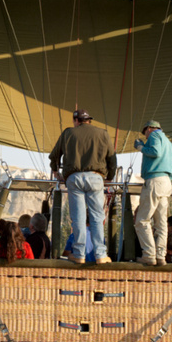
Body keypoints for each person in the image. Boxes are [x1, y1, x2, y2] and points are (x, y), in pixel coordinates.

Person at [49, 109, 116, 265]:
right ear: (89, 121)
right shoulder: (103, 133)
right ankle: (100, 253)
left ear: (75, 120)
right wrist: (110, 178)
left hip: (74, 177)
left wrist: (55, 170)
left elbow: (54, 155)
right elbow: (112, 158)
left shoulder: (68, 133)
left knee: (78, 218)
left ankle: (79, 253)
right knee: (97, 217)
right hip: (96, 177)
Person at [133, 120, 172, 266]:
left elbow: (156, 152)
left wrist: (141, 147)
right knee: (161, 223)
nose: (146, 136)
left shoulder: (155, 136)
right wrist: (169, 177)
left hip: (154, 181)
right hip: (165, 182)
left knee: (142, 221)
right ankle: (161, 256)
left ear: (149, 129)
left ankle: (149, 254)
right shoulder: (168, 142)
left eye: (145, 133)